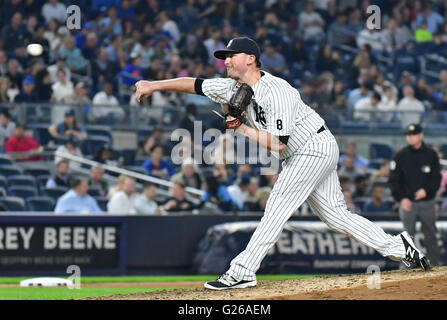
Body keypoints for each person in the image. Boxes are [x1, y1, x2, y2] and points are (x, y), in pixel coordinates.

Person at [134, 36, 431, 291]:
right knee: (337, 217)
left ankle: (242, 271)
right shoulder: (231, 87)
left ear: (250, 59)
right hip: (305, 151)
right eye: (223, 56)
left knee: (276, 208)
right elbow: (194, 84)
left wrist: (241, 128)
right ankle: (398, 247)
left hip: (311, 147)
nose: (225, 61)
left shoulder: (277, 91)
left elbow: (279, 144)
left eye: (230, 56)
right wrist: (154, 84)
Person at [388, 123, 442, 266]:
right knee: (407, 237)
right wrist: (401, 198)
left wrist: (427, 191)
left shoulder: (431, 155)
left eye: (413, 135)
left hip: (427, 203)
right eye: (408, 135)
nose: (410, 137)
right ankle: (406, 268)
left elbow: (436, 178)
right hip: (407, 204)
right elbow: (393, 180)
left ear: (420, 135)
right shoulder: (400, 156)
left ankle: (435, 266)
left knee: (431, 235)